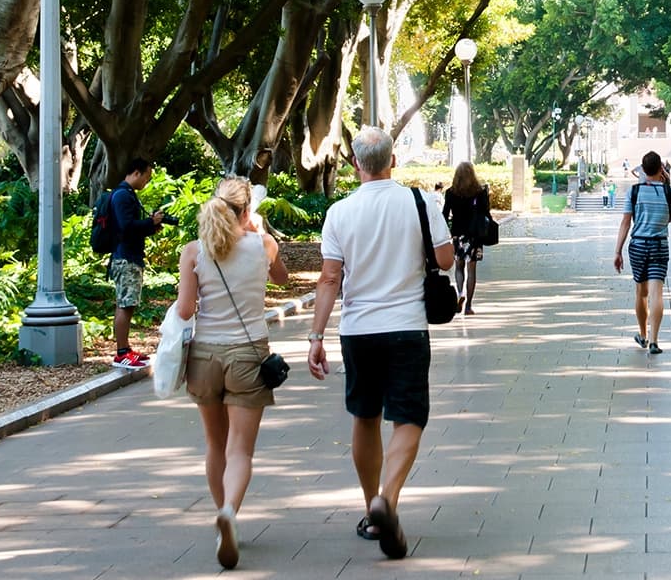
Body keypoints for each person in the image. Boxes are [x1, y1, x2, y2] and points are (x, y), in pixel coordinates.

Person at [307, 127, 454, 560]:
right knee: (408, 416)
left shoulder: (339, 212)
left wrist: (316, 337)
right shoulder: (420, 201)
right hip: (407, 326)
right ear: (394, 160)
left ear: (355, 164)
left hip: (357, 330)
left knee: (364, 415)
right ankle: (386, 500)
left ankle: (371, 507)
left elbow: (330, 277)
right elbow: (445, 259)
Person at [174, 176, 288, 569]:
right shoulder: (264, 245)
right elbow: (283, 278)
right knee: (240, 448)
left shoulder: (194, 251)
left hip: (204, 355)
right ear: (246, 211)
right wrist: (259, 230)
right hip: (248, 353)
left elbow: (186, 311)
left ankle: (221, 510)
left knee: (214, 443)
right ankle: (231, 513)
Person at [106, 157, 168, 367]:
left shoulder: (126, 194)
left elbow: (133, 227)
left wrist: (150, 226)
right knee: (125, 304)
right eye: (147, 177)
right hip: (125, 257)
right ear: (136, 173)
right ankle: (122, 352)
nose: (146, 182)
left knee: (128, 304)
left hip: (130, 255)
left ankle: (126, 349)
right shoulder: (123, 195)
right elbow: (126, 227)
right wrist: (150, 222)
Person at [613, 150, 671, 354]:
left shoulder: (634, 191)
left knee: (641, 292)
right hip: (659, 245)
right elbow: (670, 218)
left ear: (642, 168)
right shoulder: (670, 192)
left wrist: (617, 251)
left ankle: (643, 335)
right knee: (657, 293)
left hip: (638, 245)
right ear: (661, 169)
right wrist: (665, 183)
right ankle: (655, 341)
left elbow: (625, 222)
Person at [442, 161, 493, 315]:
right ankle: (469, 306)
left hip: (458, 234)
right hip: (475, 235)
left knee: (458, 267)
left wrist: (447, 232)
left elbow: (445, 214)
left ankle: (460, 293)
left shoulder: (451, 192)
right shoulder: (479, 192)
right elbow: (486, 212)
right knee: (472, 270)